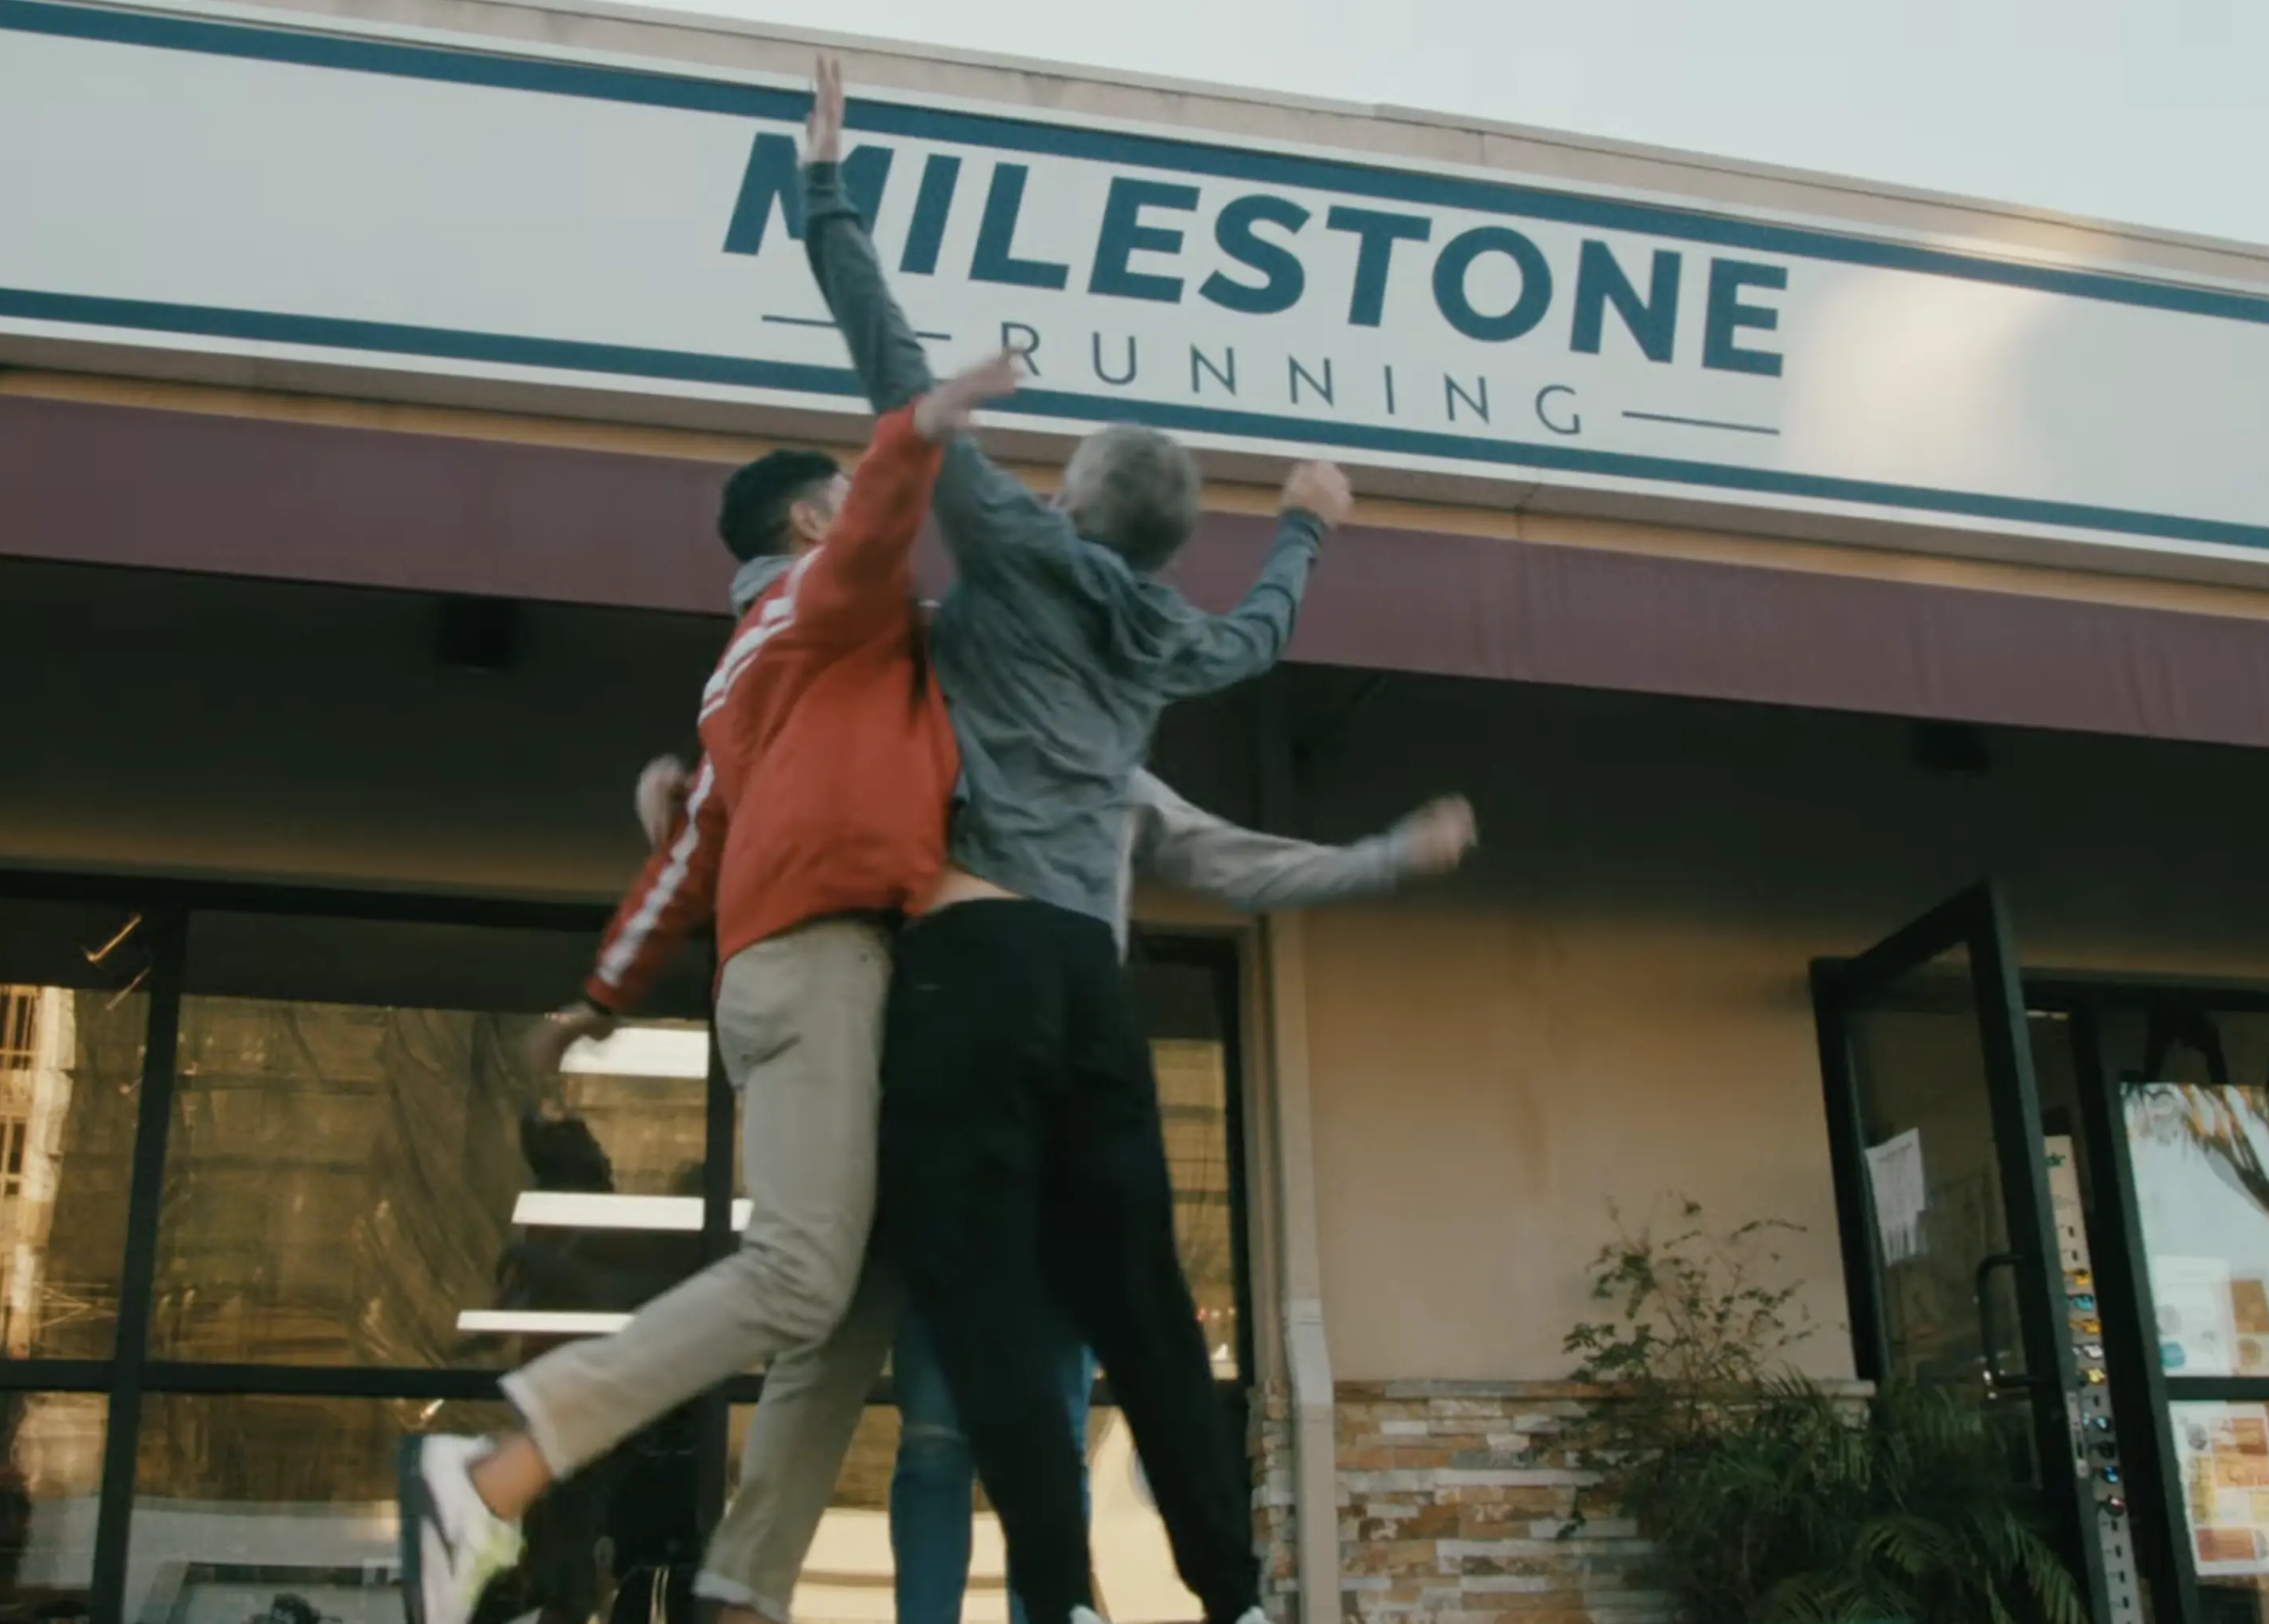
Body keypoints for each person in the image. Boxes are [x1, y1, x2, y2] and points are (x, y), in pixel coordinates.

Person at [800, 56, 1350, 1624]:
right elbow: (1254, 636)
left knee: (972, 1284)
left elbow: (889, 362)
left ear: (1072, 490)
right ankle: (1235, 1591)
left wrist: (827, 181)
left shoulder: (1021, 538)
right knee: (1148, 1308)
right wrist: (1308, 519)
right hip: (1094, 989)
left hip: (974, 960)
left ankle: (1051, 1587)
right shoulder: (1170, 633)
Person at [395, 352, 1026, 1624]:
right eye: (843, 497)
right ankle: (500, 1458)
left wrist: (604, 990)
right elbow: (868, 547)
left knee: (847, 1305)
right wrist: (921, 425)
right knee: (800, 1278)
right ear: (808, 523)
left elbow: (695, 846)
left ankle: (741, 1585)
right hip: (825, 958)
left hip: (813, 966)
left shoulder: (754, 660)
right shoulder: (823, 598)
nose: (863, 517)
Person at [631, 759, 1477, 1624]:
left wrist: (1386, 857)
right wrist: (692, 813)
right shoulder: (946, 759)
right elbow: (813, 816)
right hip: (947, 1104)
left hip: (1070, 1114)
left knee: (1055, 1426)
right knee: (935, 1432)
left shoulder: (1108, 777)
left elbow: (1238, 861)